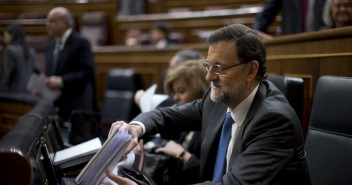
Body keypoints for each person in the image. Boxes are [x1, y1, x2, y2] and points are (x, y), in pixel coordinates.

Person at [107, 23, 311, 185]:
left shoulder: (274, 120)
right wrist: (134, 127)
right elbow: (168, 115)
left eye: (219, 68)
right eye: (208, 65)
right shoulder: (220, 99)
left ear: (250, 71)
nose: (208, 76)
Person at [143, 60, 209, 185]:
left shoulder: (212, 127)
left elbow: (209, 176)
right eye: (174, 92)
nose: (175, 98)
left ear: (199, 91)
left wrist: (181, 154)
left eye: (181, 91)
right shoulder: (186, 123)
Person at [44, 7, 96, 126]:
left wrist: (61, 81)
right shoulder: (51, 44)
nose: (48, 25)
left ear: (65, 23)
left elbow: (87, 72)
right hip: (56, 106)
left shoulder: (81, 42)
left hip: (76, 105)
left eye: (52, 21)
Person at [0, 24, 38, 94]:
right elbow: (36, 72)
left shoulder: (10, 50)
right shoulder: (31, 51)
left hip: (14, 96)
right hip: (29, 95)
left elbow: (5, 76)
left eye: (5, 36)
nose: (4, 39)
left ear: (12, 36)